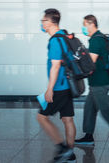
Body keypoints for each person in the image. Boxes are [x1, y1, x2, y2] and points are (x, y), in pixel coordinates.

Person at [75, 14, 109, 146]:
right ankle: (88, 136)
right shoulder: (99, 38)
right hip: (97, 81)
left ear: (91, 24)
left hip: (100, 81)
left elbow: (90, 62)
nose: (83, 28)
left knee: (105, 110)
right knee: (89, 108)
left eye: (84, 25)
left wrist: (76, 64)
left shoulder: (96, 40)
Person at [37, 8, 77, 162]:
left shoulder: (55, 40)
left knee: (41, 117)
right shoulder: (65, 36)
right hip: (68, 85)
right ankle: (70, 154)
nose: (42, 24)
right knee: (67, 119)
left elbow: (55, 66)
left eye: (43, 21)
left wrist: (49, 89)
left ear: (50, 22)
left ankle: (62, 148)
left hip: (59, 87)